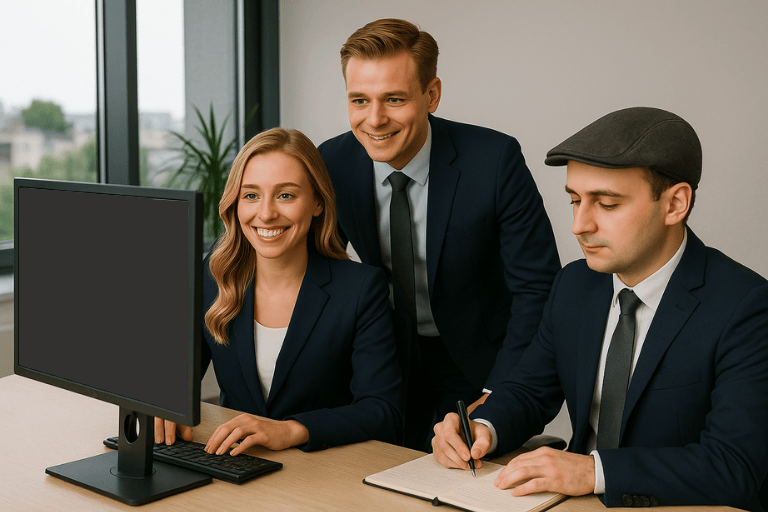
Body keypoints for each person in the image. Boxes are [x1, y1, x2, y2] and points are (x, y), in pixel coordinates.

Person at [432, 106, 768, 510]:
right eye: (575, 200)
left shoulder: (747, 306)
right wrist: (483, 427)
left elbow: (735, 466)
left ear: (675, 204)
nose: (579, 225)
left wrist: (593, 472)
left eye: (607, 204)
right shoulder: (574, 284)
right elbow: (529, 390)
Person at [318, 18, 561, 451]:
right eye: (359, 100)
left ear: (431, 95)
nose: (375, 120)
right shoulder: (332, 162)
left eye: (394, 99)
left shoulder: (494, 160)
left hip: (480, 361)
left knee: (463, 472)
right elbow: (317, 270)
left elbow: (537, 289)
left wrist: (499, 393)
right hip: (383, 357)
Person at [156, 127, 402, 453]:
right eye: (251, 195)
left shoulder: (360, 289)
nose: (267, 213)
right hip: (233, 462)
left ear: (317, 202)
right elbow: (178, 373)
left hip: (321, 469)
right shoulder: (215, 273)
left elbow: (383, 410)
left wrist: (291, 430)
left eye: (286, 195)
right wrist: (162, 403)